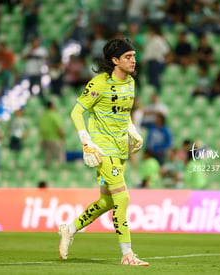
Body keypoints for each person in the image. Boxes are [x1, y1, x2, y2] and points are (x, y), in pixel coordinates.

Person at [59, 38, 149, 266]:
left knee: (107, 201)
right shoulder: (99, 83)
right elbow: (76, 113)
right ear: (115, 60)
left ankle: (69, 228)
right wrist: (86, 142)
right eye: (128, 57)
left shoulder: (130, 82)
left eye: (134, 56)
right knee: (123, 196)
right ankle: (127, 254)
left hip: (119, 148)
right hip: (101, 147)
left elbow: (122, 112)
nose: (133, 60)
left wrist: (132, 130)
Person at [38, 101, 65, 168]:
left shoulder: (43, 116)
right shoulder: (54, 115)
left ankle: (46, 169)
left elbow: (41, 130)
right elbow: (59, 128)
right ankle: (60, 170)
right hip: (55, 139)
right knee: (59, 156)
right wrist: (62, 137)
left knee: (48, 156)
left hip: (45, 139)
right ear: (52, 106)